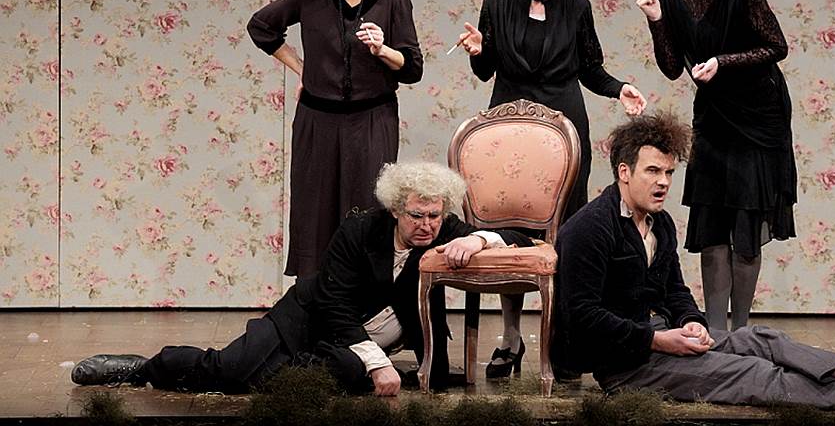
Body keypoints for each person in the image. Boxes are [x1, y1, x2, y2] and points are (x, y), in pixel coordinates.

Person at [552, 112, 835, 410]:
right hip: (625, 365)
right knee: (752, 372)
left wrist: (692, 322)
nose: (664, 182)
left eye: (669, 172)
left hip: (662, 335)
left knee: (761, 339)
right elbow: (582, 317)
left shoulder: (659, 223)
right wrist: (656, 340)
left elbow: (675, 291)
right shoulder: (588, 228)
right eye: (653, 171)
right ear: (624, 172)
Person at [71, 162, 531, 396]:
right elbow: (334, 305)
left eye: (435, 215)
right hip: (308, 320)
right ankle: (142, 368)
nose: (427, 225)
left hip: (347, 348)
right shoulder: (359, 231)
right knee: (229, 372)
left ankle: (310, 374)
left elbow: (518, 237)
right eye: (416, 215)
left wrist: (480, 239)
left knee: (331, 374)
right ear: (395, 209)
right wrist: (378, 363)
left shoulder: (444, 229)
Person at [454, 0, 647, 377]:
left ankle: (563, 343)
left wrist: (619, 88)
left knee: (565, 233)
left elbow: (591, 69)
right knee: (510, 227)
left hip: (564, 129)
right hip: (510, 125)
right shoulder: (496, 2)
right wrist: (478, 51)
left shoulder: (577, 5)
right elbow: (485, 71)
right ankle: (511, 337)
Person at [634, 0, 796, 331]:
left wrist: (723, 62)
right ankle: (717, 333)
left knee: (745, 231)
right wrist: (655, 18)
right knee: (711, 227)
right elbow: (672, 67)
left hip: (757, 119)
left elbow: (776, 46)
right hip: (713, 117)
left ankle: (740, 331)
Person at [247, 0, 424, 278]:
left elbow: (412, 69)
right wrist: (304, 68)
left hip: (372, 120)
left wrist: (383, 50)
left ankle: (365, 302)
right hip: (317, 121)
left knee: (369, 209)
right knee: (315, 210)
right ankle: (314, 302)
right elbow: (261, 27)